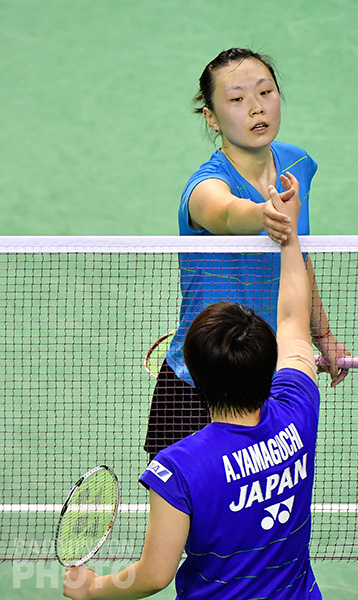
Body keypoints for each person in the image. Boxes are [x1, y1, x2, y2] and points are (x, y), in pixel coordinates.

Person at [64, 173, 322, 599]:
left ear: (194, 378)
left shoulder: (178, 467)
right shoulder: (298, 410)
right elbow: (294, 319)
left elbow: (154, 574)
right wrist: (288, 235)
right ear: (269, 364)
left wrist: (91, 589)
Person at [144, 48, 349, 460]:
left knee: (262, 496)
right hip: (199, 383)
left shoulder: (298, 165)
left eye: (265, 92)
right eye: (236, 99)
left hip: (267, 379)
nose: (256, 108)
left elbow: (297, 257)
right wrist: (264, 214)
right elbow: (225, 213)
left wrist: (323, 335)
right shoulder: (205, 188)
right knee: (179, 500)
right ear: (212, 117)